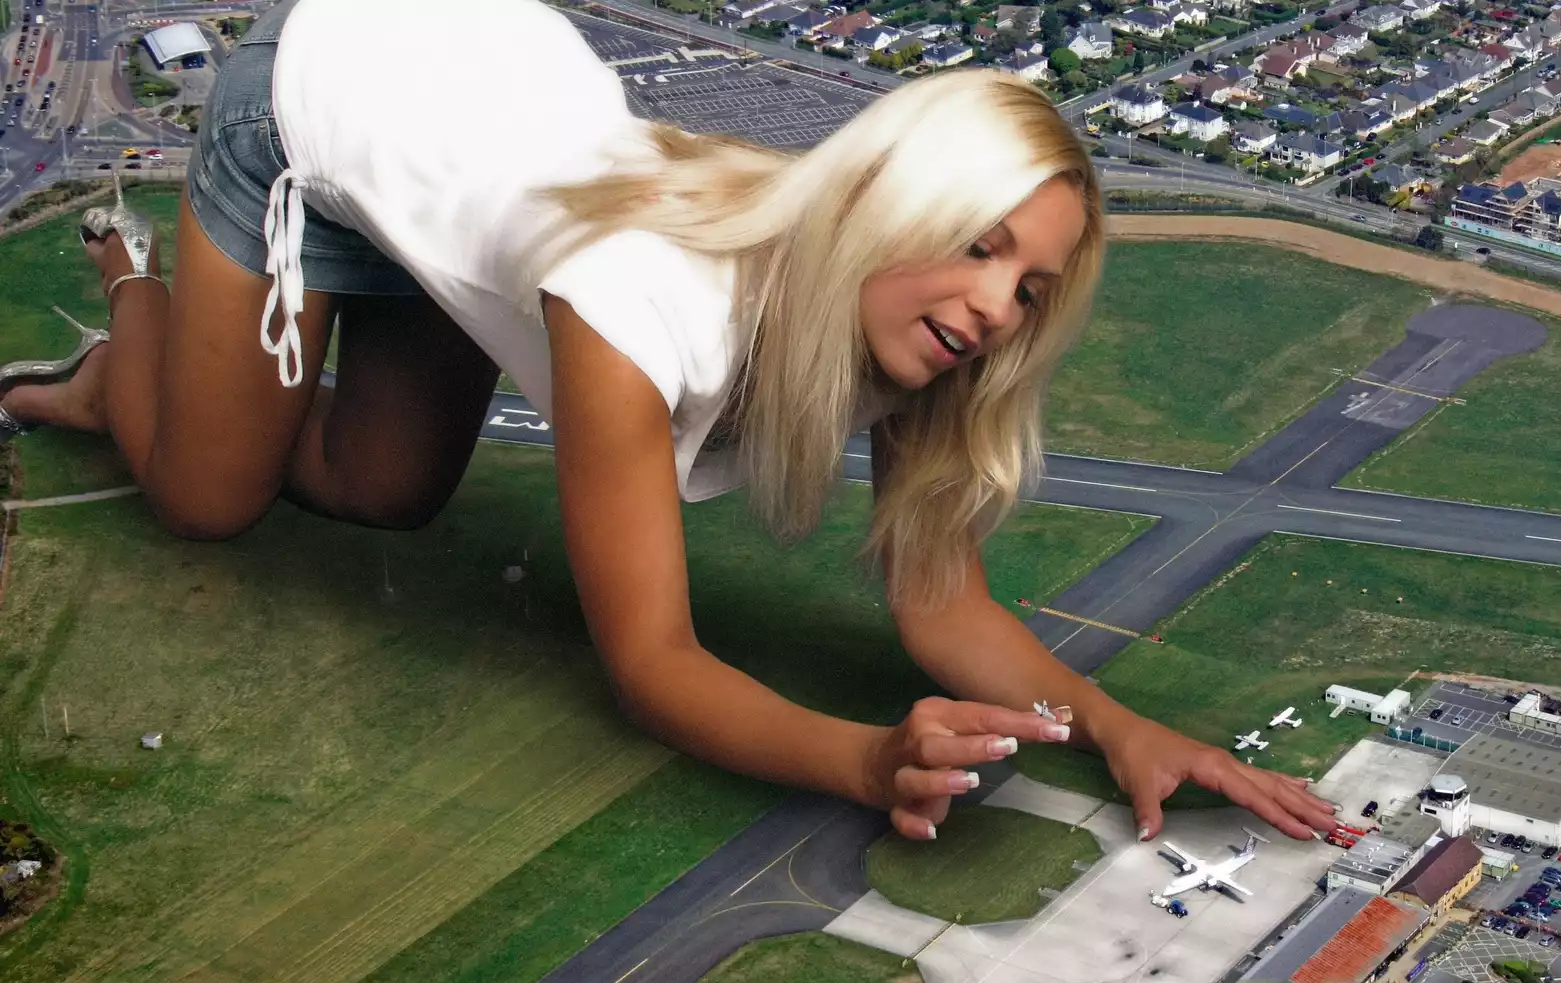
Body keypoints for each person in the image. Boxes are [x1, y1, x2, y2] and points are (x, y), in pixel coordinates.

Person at [0, 0, 1334, 844]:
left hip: (466, 104)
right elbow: (649, 663)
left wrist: (1113, 727)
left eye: (1030, 288)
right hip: (326, 88)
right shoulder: (638, 302)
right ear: (892, 207)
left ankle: (201, 346)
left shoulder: (910, 330)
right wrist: (866, 759)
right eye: (977, 247)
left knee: (384, 486)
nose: (993, 308)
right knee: (205, 497)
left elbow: (941, 605)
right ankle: (132, 320)